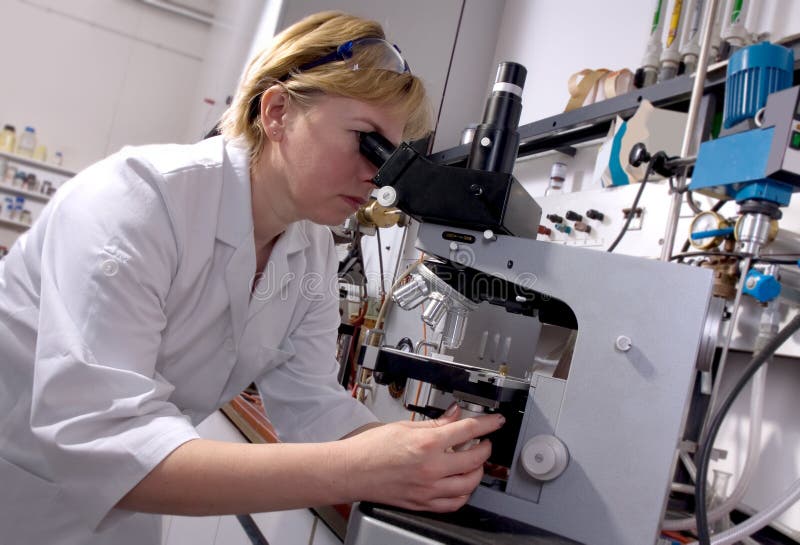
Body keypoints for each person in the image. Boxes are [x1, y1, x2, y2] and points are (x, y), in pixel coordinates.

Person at [0, 10, 505, 545]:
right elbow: (101, 440)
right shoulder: (138, 201)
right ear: (278, 112)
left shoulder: (310, 247)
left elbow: (310, 401)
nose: (379, 175)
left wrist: (412, 454)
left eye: (393, 155)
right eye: (365, 141)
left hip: (123, 510)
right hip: (20, 485)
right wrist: (357, 468)